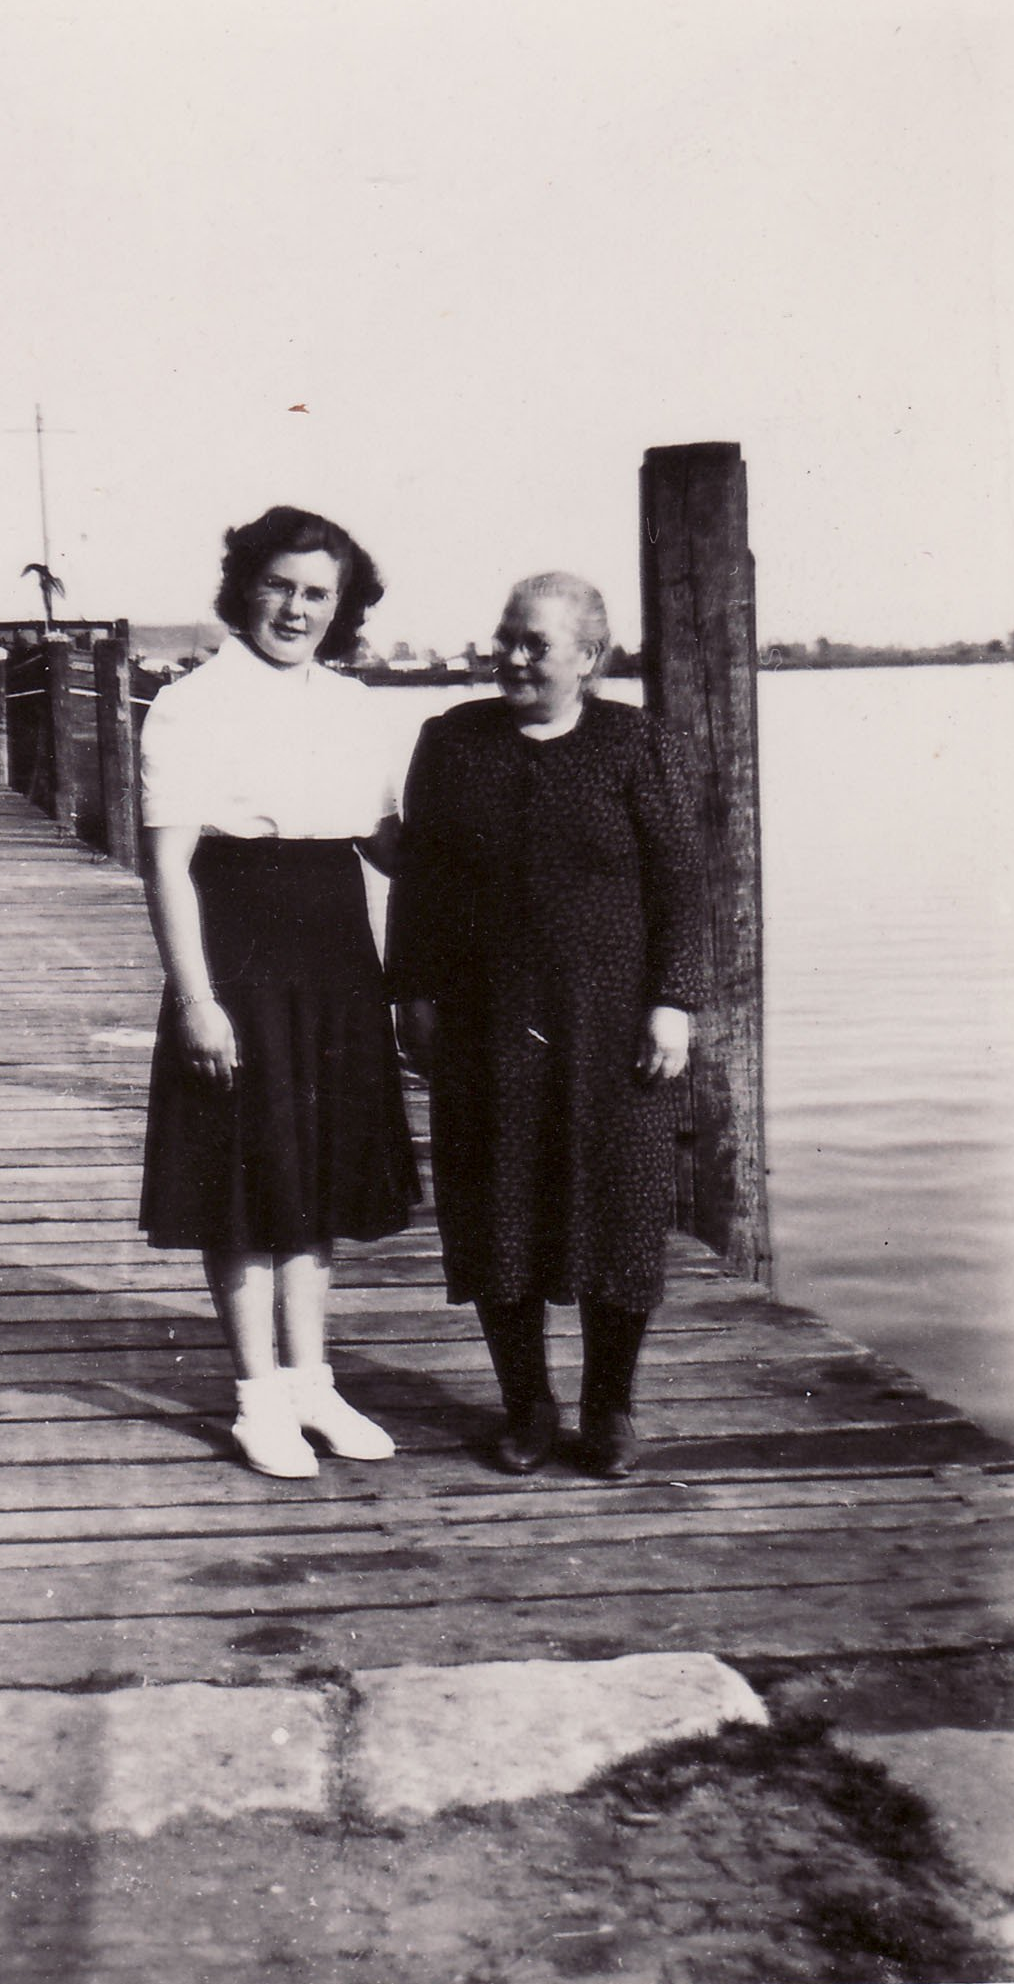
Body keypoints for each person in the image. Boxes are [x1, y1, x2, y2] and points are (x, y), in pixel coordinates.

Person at [390, 572, 704, 1478]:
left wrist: (673, 1000)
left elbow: (681, 882)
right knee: (496, 1210)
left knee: (622, 1213)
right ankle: (526, 1404)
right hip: (486, 1020)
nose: (514, 657)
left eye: (536, 643)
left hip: (612, 1026)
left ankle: (608, 1407)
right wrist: (412, 993)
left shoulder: (636, 743)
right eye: (506, 637)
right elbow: (421, 882)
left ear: (588, 657)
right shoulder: (451, 740)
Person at [139, 505, 418, 1479]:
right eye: (279, 586)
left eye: (317, 594)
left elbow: (387, 845)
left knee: (316, 1173)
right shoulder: (191, 703)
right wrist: (196, 1001)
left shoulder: (353, 704)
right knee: (245, 1181)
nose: (296, 610)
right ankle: (258, 1398)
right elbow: (166, 867)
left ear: (342, 607)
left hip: (336, 956)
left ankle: (311, 1384)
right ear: (243, 588)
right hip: (238, 953)